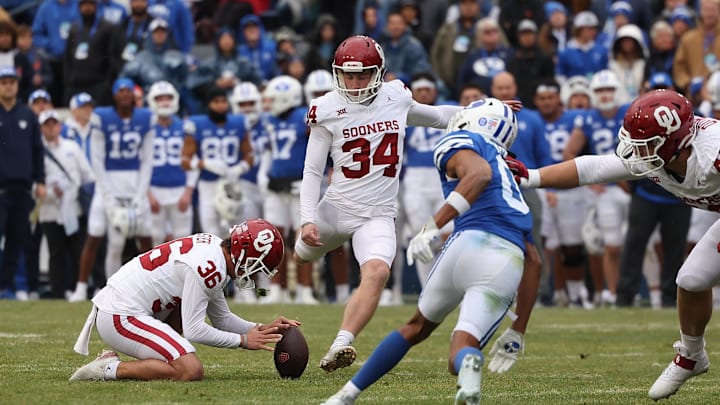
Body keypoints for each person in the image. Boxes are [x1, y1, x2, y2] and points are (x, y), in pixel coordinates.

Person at [295, 35, 498, 372]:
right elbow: (313, 169)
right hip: (336, 208)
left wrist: (482, 112)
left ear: (378, 73)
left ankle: (341, 343)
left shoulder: (395, 97)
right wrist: (306, 219)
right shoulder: (327, 108)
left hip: (377, 215)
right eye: (348, 75)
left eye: (362, 75)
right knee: (302, 254)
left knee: (376, 271)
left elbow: (436, 116)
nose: (355, 82)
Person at [510, 89, 720, 400]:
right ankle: (691, 356)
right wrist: (531, 177)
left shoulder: (712, 154)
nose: (637, 150)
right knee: (691, 280)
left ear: (673, 142)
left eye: (647, 143)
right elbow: (593, 168)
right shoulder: (663, 153)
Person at [322, 99, 532, 405]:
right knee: (461, 351)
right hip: (507, 259)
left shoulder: (462, 141)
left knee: (414, 327)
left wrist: (433, 224)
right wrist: (519, 328)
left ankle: (345, 396)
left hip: (468, 243)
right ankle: (469, 364)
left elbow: (479, 173)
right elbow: (535, 260)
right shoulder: (511, 178)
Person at [68, 218, 297, 381]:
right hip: (120, 314)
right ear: (244, 254)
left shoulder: (215, 251)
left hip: (125, 308)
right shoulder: (211, 267)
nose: (254, 273)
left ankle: (156, 360)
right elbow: (194, 329)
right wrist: (243, 340)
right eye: (257, 266)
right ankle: (108, 369)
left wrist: (262, 329)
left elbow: (221, 318)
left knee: (180, 325)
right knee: (190, 370)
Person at [67, 78, 155, 302]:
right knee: (99, 236)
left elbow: (147, 161)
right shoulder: (102, 117)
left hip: (135, 183)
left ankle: (152, 288)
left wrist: (139, 194)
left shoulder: (145, 117)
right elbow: (97, 160)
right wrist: (108, 197)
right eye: (121, 91)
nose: (125, 94)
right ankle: (91, 289)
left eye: (129, 91)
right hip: (107, 183)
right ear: (114, 94)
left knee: (145, 237)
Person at [0, 66, 46, 299]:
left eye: (12, 81)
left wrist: (41, 180)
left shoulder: (27, 115)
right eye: (4, 81)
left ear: (17, 85)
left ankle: (6, 286)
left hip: (22, 188)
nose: (8, 85)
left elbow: (37, 151)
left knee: (16, 239)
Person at [38, 109, 94, 299]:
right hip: (49, 209)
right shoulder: (36, 150)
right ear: (41, 128)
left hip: (72, 208)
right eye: (47, 125)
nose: (51, 128)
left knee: (75, 250)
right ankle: (58, 292)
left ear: (60, 126)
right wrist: (48, 191)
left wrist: (73, 189)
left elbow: (87, 175)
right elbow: (33, 181)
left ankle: (76, 288)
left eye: (54, 123)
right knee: (56, 252)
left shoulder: (71, 147)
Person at [146, 81, 196, 246]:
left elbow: (193, 160)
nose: (165, 102)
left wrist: (188, 191)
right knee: (155, 239)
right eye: (160, 99)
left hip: (180, 188)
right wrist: (147, 194)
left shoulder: (185, 127)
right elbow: (141, 163)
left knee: (183, 241)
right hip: (154, 188)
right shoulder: (146, 127)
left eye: (168, 98)